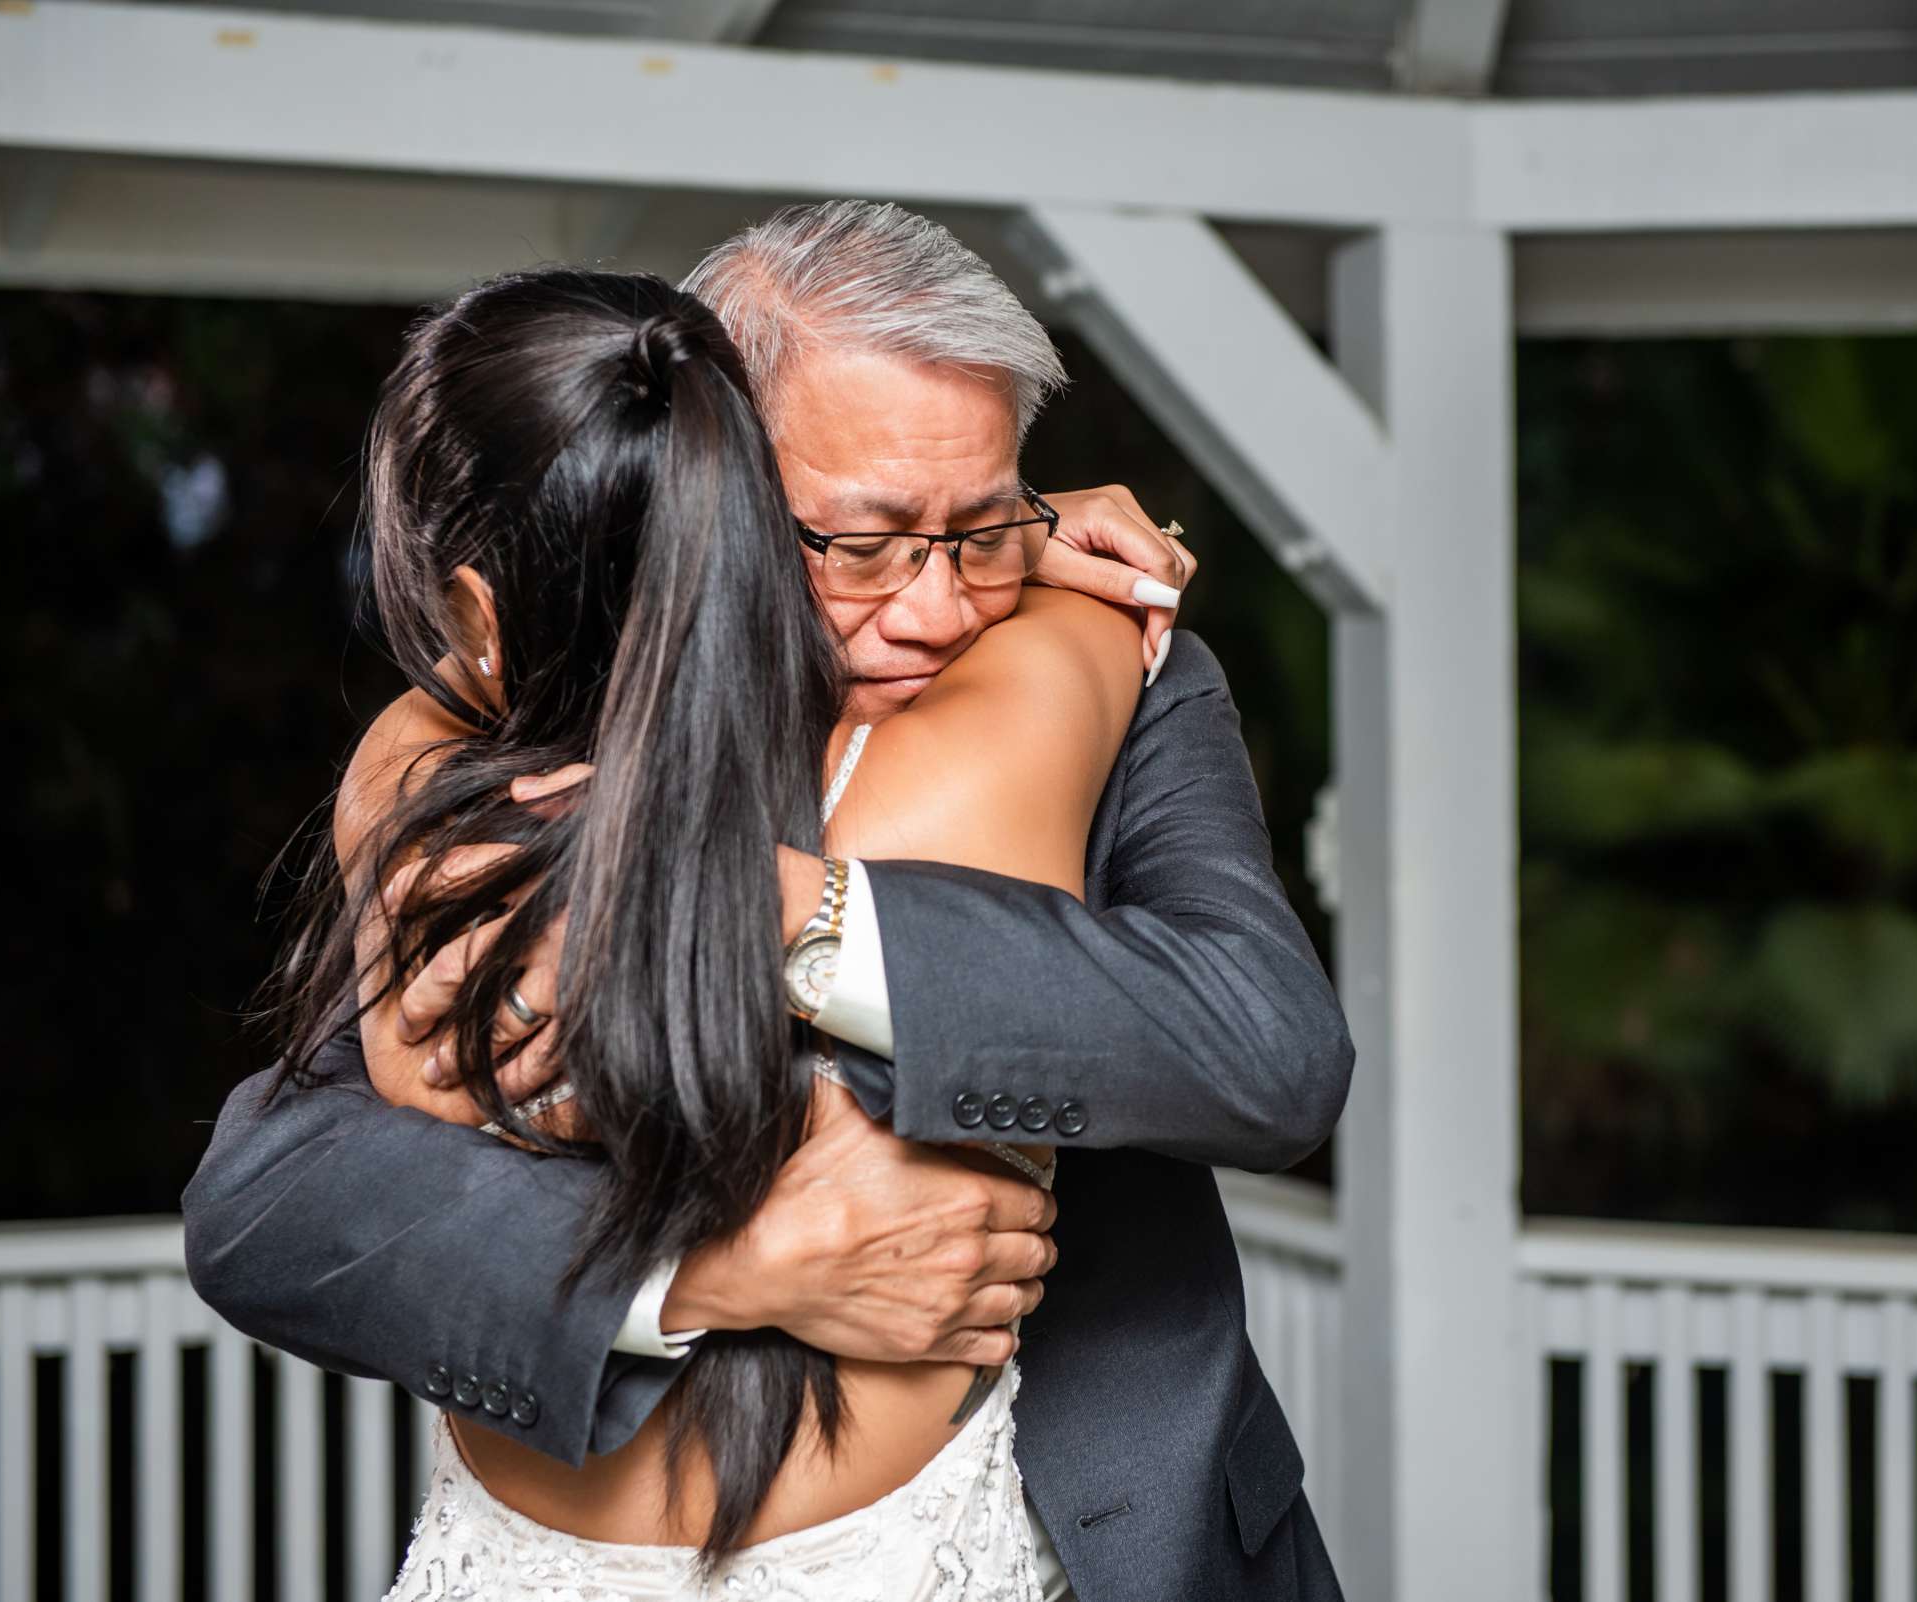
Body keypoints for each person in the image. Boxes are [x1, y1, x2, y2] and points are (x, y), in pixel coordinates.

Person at [185, 200, 1353, 1602]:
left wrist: (782, 916)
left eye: (983, 525)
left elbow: (1272, 1053)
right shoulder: (508, 749)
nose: (928, 608)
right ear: (706, 486)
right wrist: (721, 1270)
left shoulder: (1131, 669)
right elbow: (275, 1200)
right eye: (859, 543)